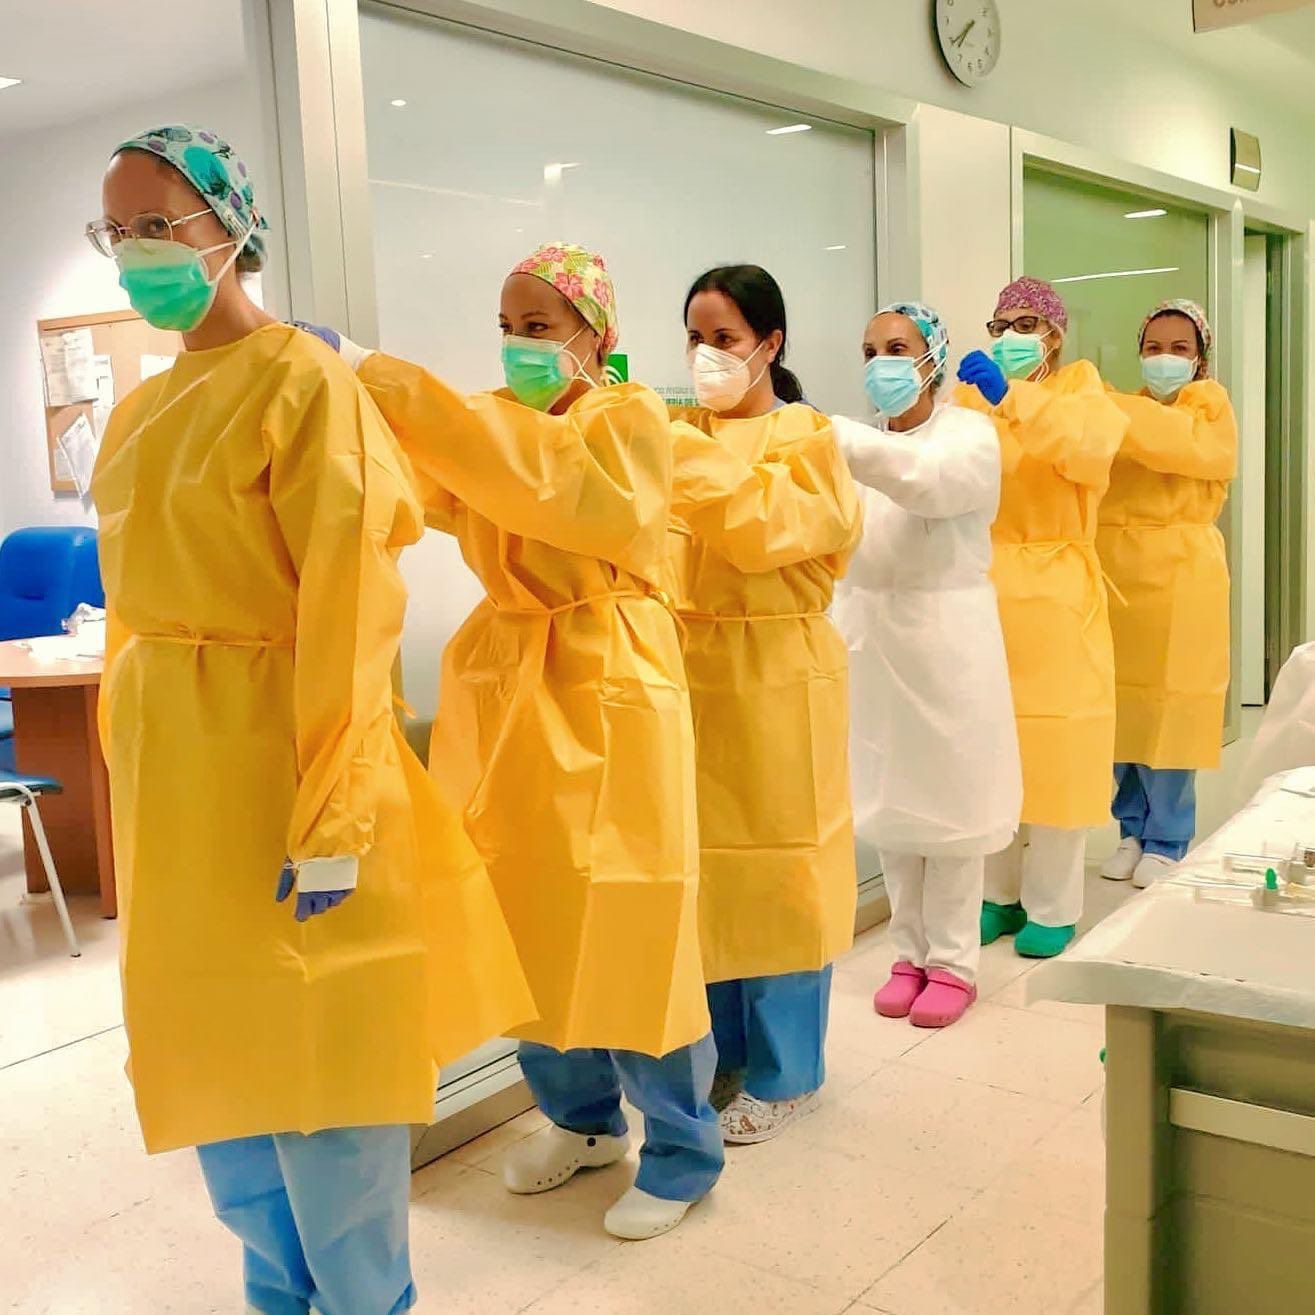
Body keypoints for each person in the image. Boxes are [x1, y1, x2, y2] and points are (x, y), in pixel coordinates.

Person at [88, 124, 533, 1315]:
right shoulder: (139, 416)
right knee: (220, 1066)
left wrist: (333, 805)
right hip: (176, 775)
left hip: (287, 760)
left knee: (326, 1077)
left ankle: (362, 1299)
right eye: (117, 231)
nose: (135, 253)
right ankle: (278, 1296)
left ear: (229, 229)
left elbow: (348, 602)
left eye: (157, 225)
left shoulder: (302, 382)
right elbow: (137, 614)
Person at [336, 242, 722, 1241]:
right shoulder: (494, 426)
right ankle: (580, 1119)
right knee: (517, 912)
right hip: (506, 676)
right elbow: (433, 486)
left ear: (599, 335)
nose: (517, 347)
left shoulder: (629, 420)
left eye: (539, 327)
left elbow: (556, 491)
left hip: (609, 673)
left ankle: (681, 1148)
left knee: (632, 919)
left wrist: (386, 376)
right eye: (507, 328)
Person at [670, 265, 863, 1140]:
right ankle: (728, 1057)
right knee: (710, 873)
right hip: (687, 664)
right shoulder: (681, 431)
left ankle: (790, 1073)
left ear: (770, 344)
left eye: (725, 339)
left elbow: (758, 532)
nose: (706, 357)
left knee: (781, 869)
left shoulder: (805, 436)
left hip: (778, 666)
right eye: (696, 338)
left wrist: (675, 452)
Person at [832, 302, 1021, 1028]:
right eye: (869, 348)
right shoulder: (862, 450)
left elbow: (927, 483)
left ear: (932, 358)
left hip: (947, 640)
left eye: (897, 347)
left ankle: (952, 961)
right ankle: (905, 953)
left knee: (951, 809)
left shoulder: (967, 435)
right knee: (891, 806)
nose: (880, 361)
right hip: (874, 640)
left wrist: (837, 438)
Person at [955, 276, 1128, 959]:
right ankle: (996, 893)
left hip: (1057, 587)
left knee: (1057, 748)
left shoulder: (1083, 391)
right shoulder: (971, 396)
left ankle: (1053, 903)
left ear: (1054, 334)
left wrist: (1014, 398)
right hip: (983, 587)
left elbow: (1083, 453)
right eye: (999, 323)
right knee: (990, 747)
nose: (1009, 337)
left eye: (1025, 324)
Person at [1098, 300, 1237, 887]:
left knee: (1173, 707)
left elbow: (1187, 448)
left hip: (1183, 572)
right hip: (1117, 571)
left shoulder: (1209, 407)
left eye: (1179, 349)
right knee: (1122, 708)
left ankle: (1169, 838)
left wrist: (1104, 405)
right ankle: (1131, 829)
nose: (1164, 359)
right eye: (1153, 347)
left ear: (1200, 358)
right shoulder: (1121, 410)